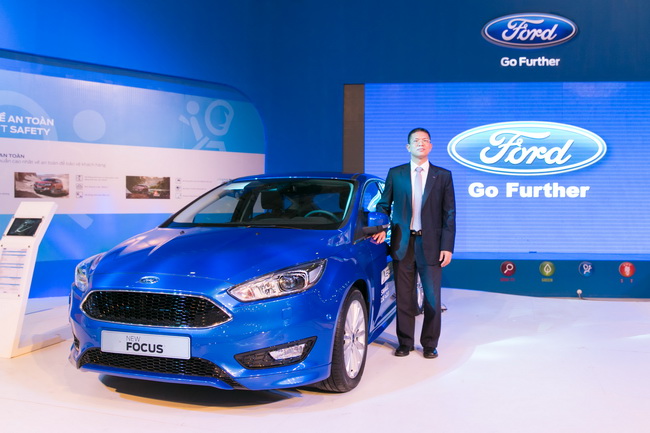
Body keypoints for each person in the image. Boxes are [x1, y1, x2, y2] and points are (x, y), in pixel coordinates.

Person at [372, 127, 456, 359]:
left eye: (425, 140)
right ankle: (405, 342)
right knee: (404, 297)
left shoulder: (443, 175)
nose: (421, 143)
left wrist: (447, 246)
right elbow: (383, 205)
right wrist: (381, 228)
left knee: (432, 299)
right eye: (416, 140)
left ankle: (429, 344)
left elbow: (449, 213)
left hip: (432, 245)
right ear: (408, 146)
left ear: (431, 146)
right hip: (403, 243)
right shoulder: (396, 173)